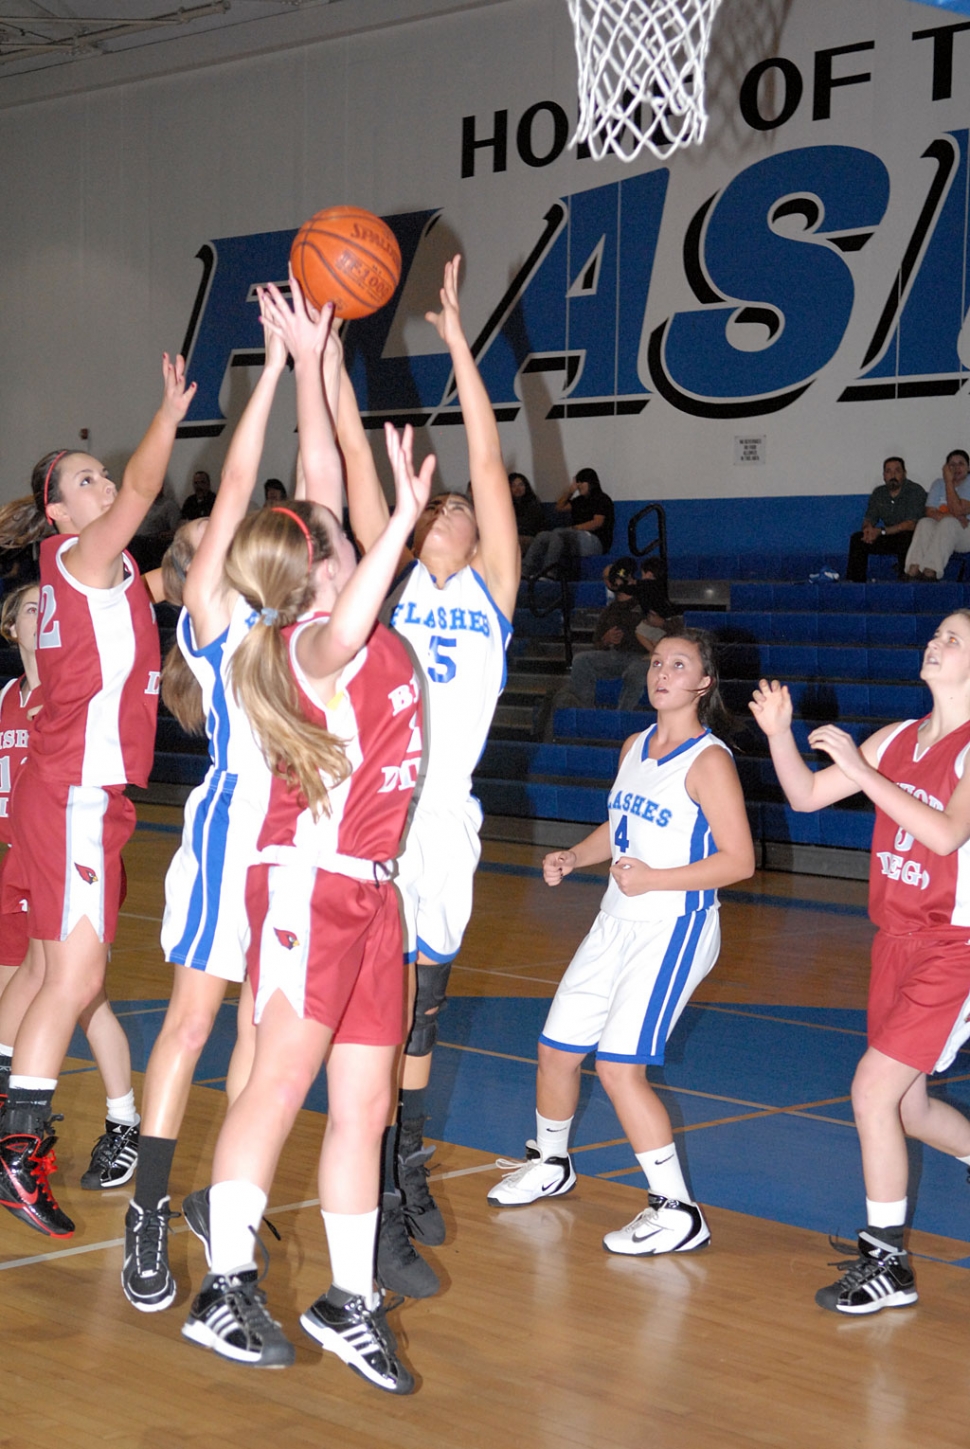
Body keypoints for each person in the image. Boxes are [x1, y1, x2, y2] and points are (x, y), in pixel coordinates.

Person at [180, 423, 432, 1389]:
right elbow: (342, 617)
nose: (355, 532)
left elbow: (320, 486)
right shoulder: (306, 645)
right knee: (279, 1084)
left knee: (364, 1108)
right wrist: (405, 517)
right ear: (322, 565)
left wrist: (317, 364)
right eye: (341, 534)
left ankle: (348, 1298)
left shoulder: (352, 619)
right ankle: (225, 1286)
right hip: (305, 886)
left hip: (374, 894)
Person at [338, 255, 520, 1297]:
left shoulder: (492, 586)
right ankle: (378, 1171)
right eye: (437, 505)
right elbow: (368, 488)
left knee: (428, 1007)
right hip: (379, 808)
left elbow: (491, 469)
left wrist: (456, 337)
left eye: (458, 507)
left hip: (446, 817)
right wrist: (338, 371)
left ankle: (403, 1165)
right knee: (383, 1000)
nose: (451, 507)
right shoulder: (392, 579)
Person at [122, 292, 304, 1312]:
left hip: (303, 846)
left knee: (261, 1038)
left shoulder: (300, 611)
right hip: (235, 832)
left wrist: (313, 368)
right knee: (192, 1027)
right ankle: (149, 1205)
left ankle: (223, 1196)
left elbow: (306, 497)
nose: (223, 530)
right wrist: (270, 370)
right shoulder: (210, 621)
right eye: (207, 535)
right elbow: (239, 482)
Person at [0, 352, 195, 1238]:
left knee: (46, 969)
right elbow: (150, 486)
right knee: (75, 978)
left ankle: (5, 1110)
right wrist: (169, 410)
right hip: (76, 791)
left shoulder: (115, 585)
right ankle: (20, 1148)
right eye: (90, 479)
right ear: (61, 513)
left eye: (105, 475)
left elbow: (173, 577)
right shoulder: (78, 557)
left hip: (78, 792)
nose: (109, 482)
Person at [488, 630, 754, 1257]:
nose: (662, 673)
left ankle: (678, 1210)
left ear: (704, 683)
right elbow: (621, 825)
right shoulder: (635, 745)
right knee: (555, 1050)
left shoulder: (709, 761)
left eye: (679, 664)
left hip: (674, 928)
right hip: (615, 919)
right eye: (657, 662)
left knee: (618, 1068)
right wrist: (575, 856)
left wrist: (656, 880)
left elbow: (740, 860)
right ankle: (551, 1163)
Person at [750, 616, 970, 1314]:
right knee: (905, 1106)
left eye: (957, 638)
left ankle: (888, 1263)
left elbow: (943, 833)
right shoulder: (898, 736)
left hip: (953, 945)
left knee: (871, 1091)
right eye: (937, 632)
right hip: (894, 939)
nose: (937, 642)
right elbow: (807, 795)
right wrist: (780, 734)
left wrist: (863, 771)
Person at [0, 584, 139, 1193]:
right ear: (12, 627)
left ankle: (123, 1122)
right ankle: (18, 1123)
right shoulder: (6, 699)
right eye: (31, 608)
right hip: (19, 864)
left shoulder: (68, 698)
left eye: (47, 608)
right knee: (20, 991)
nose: (42, 616)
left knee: (83, 999)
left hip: (71, 858)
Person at [557, 557, 667, 714]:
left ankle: (621, 716)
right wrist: (605, 640)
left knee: (634, 672)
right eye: (609, 579)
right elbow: (596, 643)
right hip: (617, 655)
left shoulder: (644, 599)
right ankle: (587, 713)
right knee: (581, 660)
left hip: (644, 655)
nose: (613, 582)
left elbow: (670, 624)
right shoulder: (609, 611)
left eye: (615, 577)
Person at [522, 467, 613, 580]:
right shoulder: (579, 501)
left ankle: (550, 573)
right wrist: (570, 491)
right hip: (577, 538)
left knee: (559, 532)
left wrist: (574, 528)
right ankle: (524, 572)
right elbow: (559, 507)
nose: (579, 485)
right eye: (577, 482)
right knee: (542, 536)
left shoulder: (602, 499)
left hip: (596, 541)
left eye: (581, 482)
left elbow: (597, 523)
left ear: (591, 482)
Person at [845, 457, 926, 582]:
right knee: (858, 539)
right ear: (884, 476)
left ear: (904, 473)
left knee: (906, 537)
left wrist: (881, 531)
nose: (893, 475)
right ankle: (856, 585)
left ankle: (905, 581)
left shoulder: (915, 491)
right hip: (888, 535)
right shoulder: (879, 493)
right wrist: (868, 530)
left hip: (911, 537)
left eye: (897, 471)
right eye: (888, 471)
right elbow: (870, 517)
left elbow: (911, 524)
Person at [904, 450, 970, 580]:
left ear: (968, 467)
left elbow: (958, 509)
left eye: (961, 464)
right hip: (945, 531)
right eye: (952, 464)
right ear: (946, 468)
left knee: (949, 523)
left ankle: (931, 570)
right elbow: (930, 512)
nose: (956, 468)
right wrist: (955, 517)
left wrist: (949, 483)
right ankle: (913, 568)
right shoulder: (938, 484)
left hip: (966, 533)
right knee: (925, 523)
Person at [509, 471, 545, 551]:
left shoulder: (533, 503)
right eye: (513, 486)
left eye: (520, 485)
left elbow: (533, 525)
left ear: (526, 487)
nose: (517, 489)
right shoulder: (505, 505)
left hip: (530, 537)